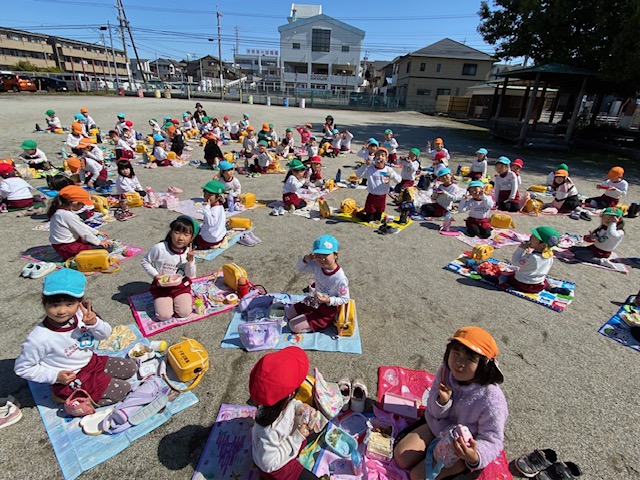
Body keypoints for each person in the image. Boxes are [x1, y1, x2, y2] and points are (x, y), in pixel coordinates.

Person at [394, 326, 507, 480]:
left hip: (460, 446)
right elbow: (433, 412)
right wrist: (443, 401)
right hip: (438, 426)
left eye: (470, 359)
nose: (459, 363)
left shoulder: (492, 399)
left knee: (417, 476)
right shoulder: (446, 372)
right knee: (401, 457)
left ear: (483, 365)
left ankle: (464, 469)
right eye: (456, 353)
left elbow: (493, 440)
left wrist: (474, 456)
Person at [14, 268, 137, 405]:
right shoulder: (39, 338)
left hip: (92, 362)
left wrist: (95, 323)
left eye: (69, 304)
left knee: (131, 367)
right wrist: (55, 377)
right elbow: (22, 368)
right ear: (44, 303)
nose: (61, 311)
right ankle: (64, 395)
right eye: (55, 305)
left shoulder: (81, 315)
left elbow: (105, 335)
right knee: (123, 390)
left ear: (80, 301)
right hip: (71, 378)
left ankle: (98, 381)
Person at [250, 346, 324, 480]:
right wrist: (297, 437)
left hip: (287, 442)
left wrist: (299, 407)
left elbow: (292, 405)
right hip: (278, 468)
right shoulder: (268, 430)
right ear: (290, 394)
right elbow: (268, 464)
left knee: (321, 427)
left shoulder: (278, 402)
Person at [286, 235, 349, 333]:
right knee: (288, 313)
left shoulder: (339, 278)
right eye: (318, 255)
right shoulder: (317, 265)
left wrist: (328, 300)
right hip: (314, 300)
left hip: (327, 310)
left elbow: (345, 299)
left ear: (335, 254)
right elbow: (299, 267)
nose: (322, 259)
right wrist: (306, 259)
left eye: (325, 255)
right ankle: (308, 314)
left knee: (293, 326)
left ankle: (323, 321)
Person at [141, 216, 197, 321]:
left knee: (184, 313)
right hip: (161, 286)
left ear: (191, 238)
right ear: (171, 233)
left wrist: (190, 260)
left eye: (186, 234)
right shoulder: (160, 248)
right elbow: (145, 261)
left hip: (181, 286)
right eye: (177, 232)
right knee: (163, 316)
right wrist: (156, 275)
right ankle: (164, 302)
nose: (180, 238)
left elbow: (191, 276)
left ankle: (177, 300)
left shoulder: (188, 253)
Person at [47, 185, 113, 259]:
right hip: (68, 248)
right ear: (74, 203)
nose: (84, 206)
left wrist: (96, 232)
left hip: (64, 246)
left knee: (94, 240)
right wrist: (99, 242)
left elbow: (81, 225)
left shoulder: (61, 211)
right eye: (83, 204)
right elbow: (83, 232)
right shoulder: (66, 215)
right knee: (108, 248)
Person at [502, 226, 560, 293]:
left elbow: (515, 262)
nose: (530, 237)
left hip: (523, 284)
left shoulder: (532, 257)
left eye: (534, 237)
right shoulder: (550, 256)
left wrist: (521, 248)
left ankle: (497, 280)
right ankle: (552, 287)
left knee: (506, 275)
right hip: (539, 286)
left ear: (543, 245)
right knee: (545, 279)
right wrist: (529, 254)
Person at [355, 148, 401, 222]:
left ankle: (371, 214)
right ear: (374, 158)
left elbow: (398, 180)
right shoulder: (370, 169)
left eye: (383, 156)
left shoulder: (388, 170)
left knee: (377, 219)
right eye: (378, 155)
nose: (380, 157)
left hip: (382, 198)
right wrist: (365, 165)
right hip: (372, 197)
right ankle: (358, 214)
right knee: (369, 219)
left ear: (386, 159)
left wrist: (392, 175)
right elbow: (358, 175)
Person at [193, 181, 228, 249]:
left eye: (209, 195)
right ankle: (220, 241)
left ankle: (212, 245)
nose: (206, 197)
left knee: (195, 237)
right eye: (205, 193)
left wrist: (206, 209)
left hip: (210, 240)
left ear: (218, 197)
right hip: (219, 236)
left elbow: (211, 223)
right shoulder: (220, 206)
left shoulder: (215, 209)